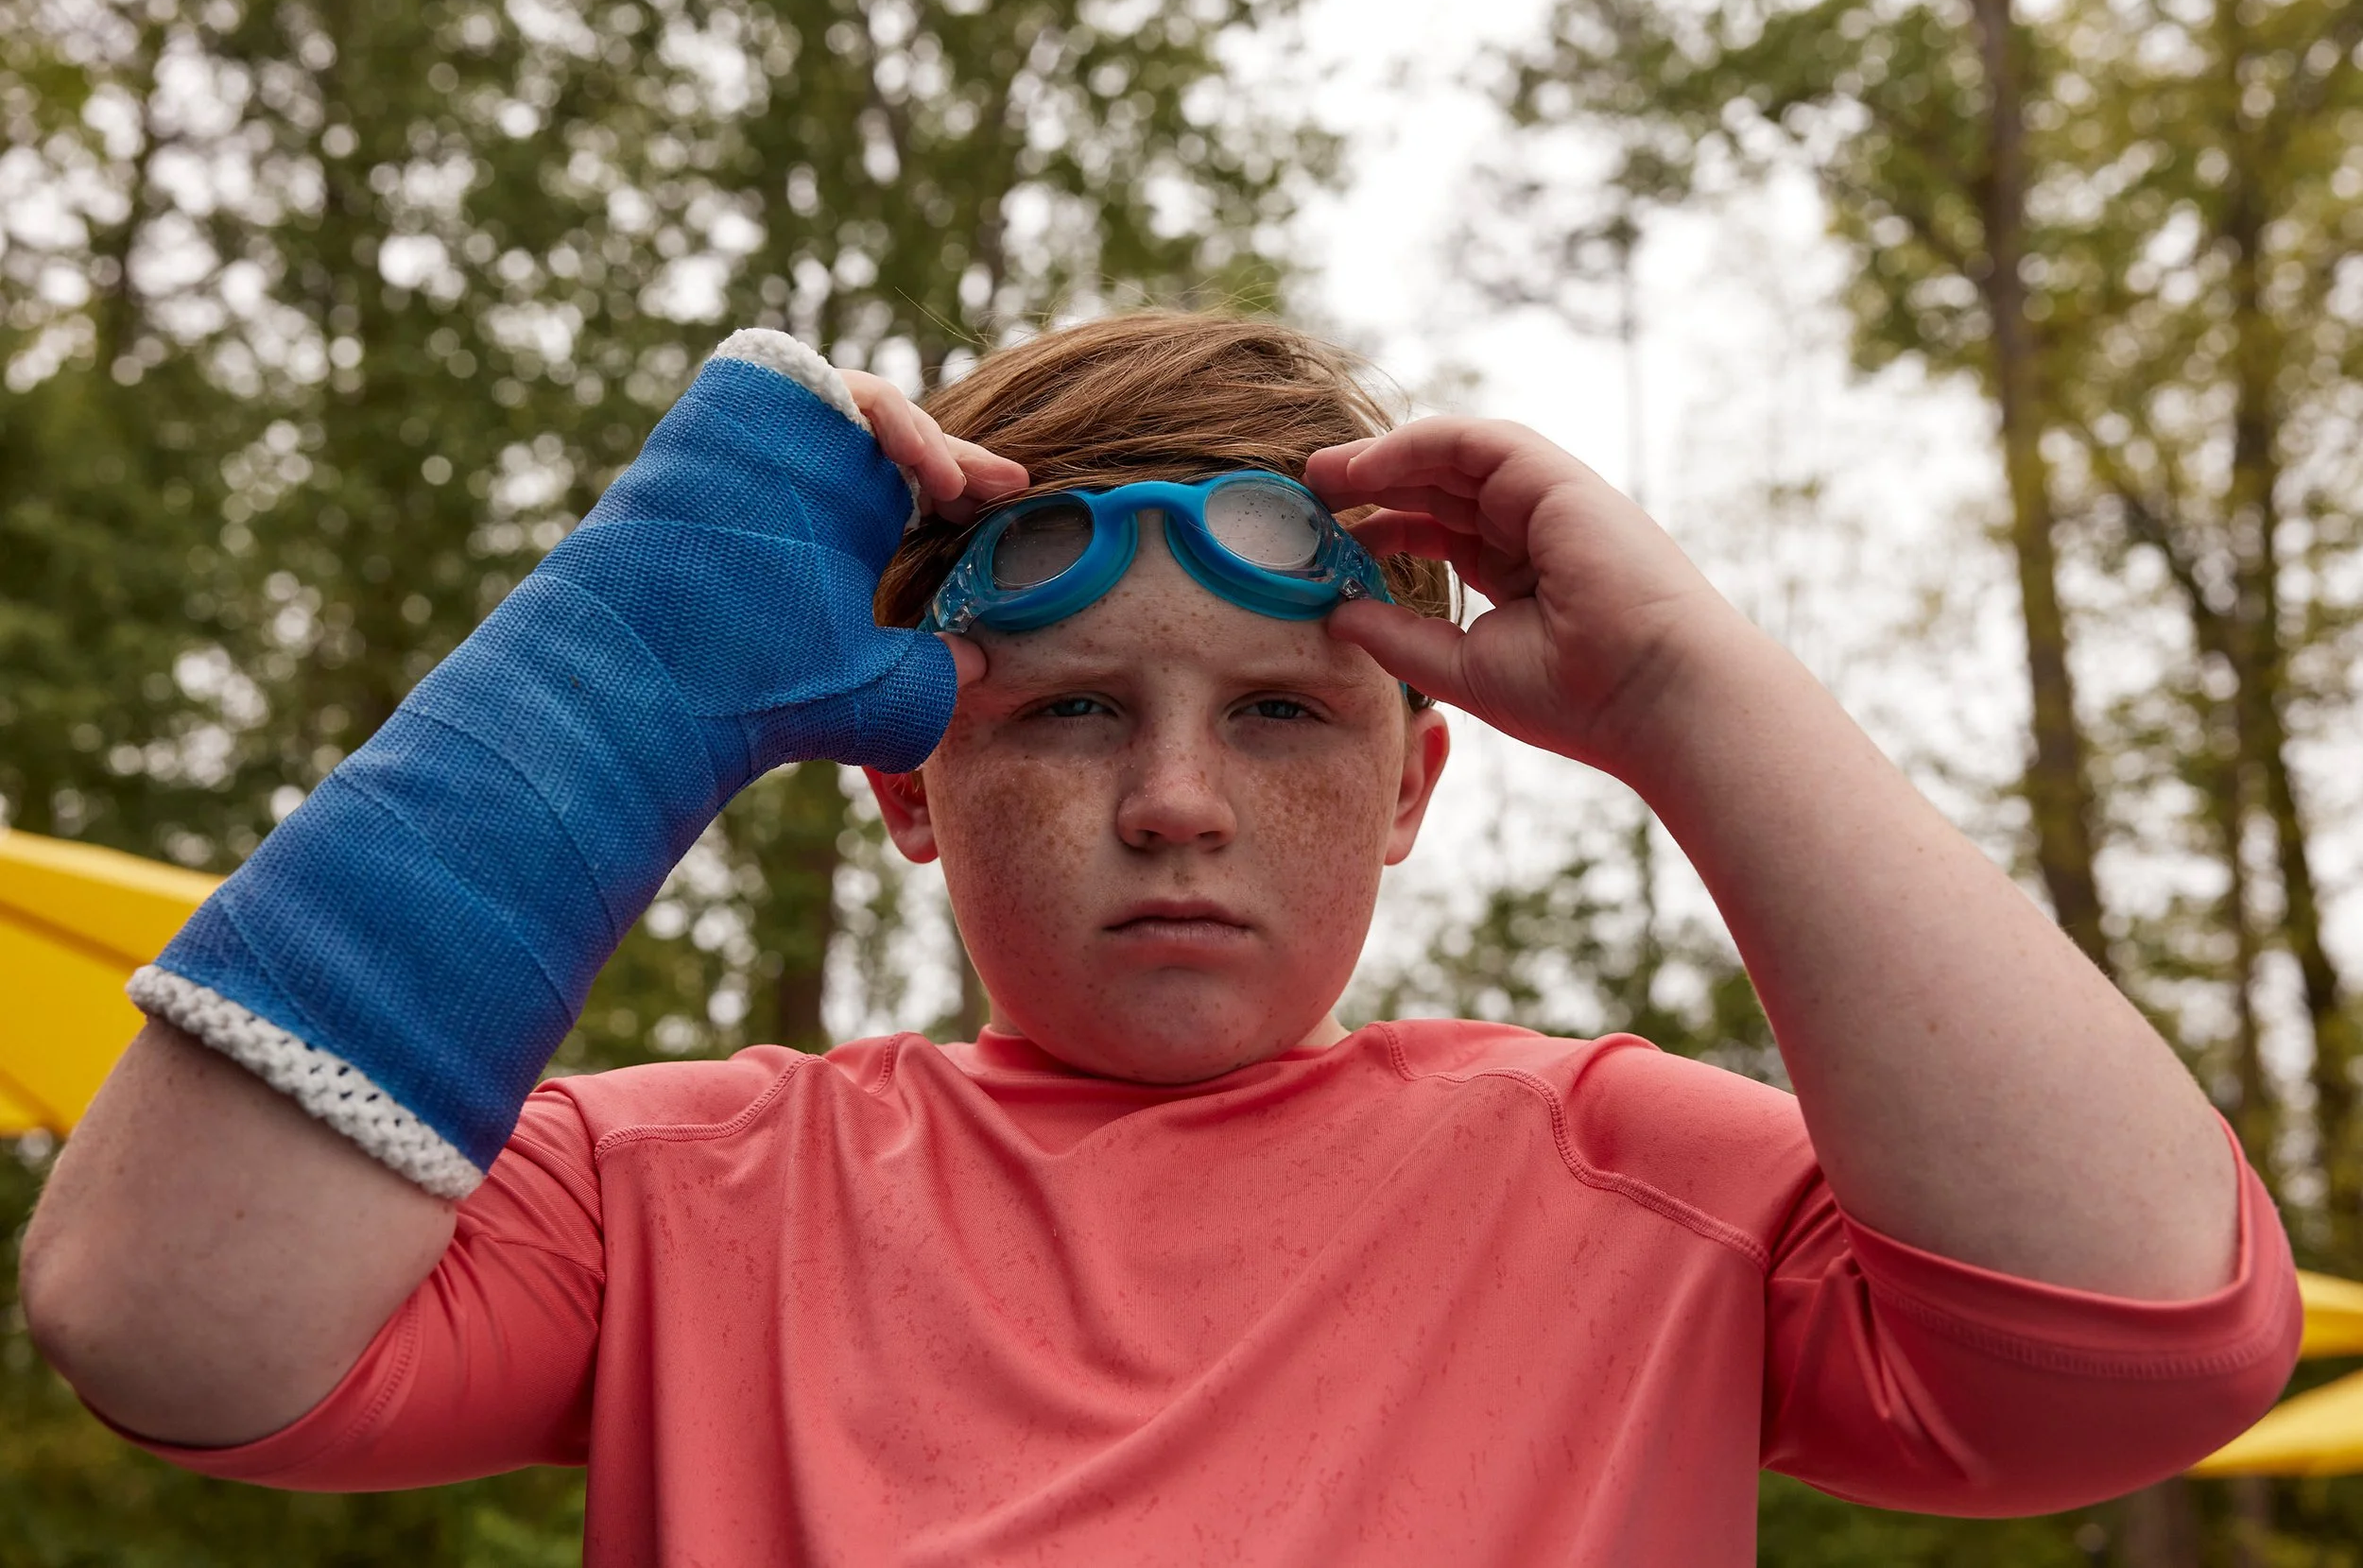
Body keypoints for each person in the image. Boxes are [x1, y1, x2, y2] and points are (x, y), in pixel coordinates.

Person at [23, 310, 2299, 1565]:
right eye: (1075, 708)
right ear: (905, 782)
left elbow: (2143, 1338)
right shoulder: (683, 1197)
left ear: (1413, 786)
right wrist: (652, 629)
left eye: (1290, 715)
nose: (1178, 798)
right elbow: (165, 1319)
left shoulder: (1612, 1179)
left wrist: (1689, 699)